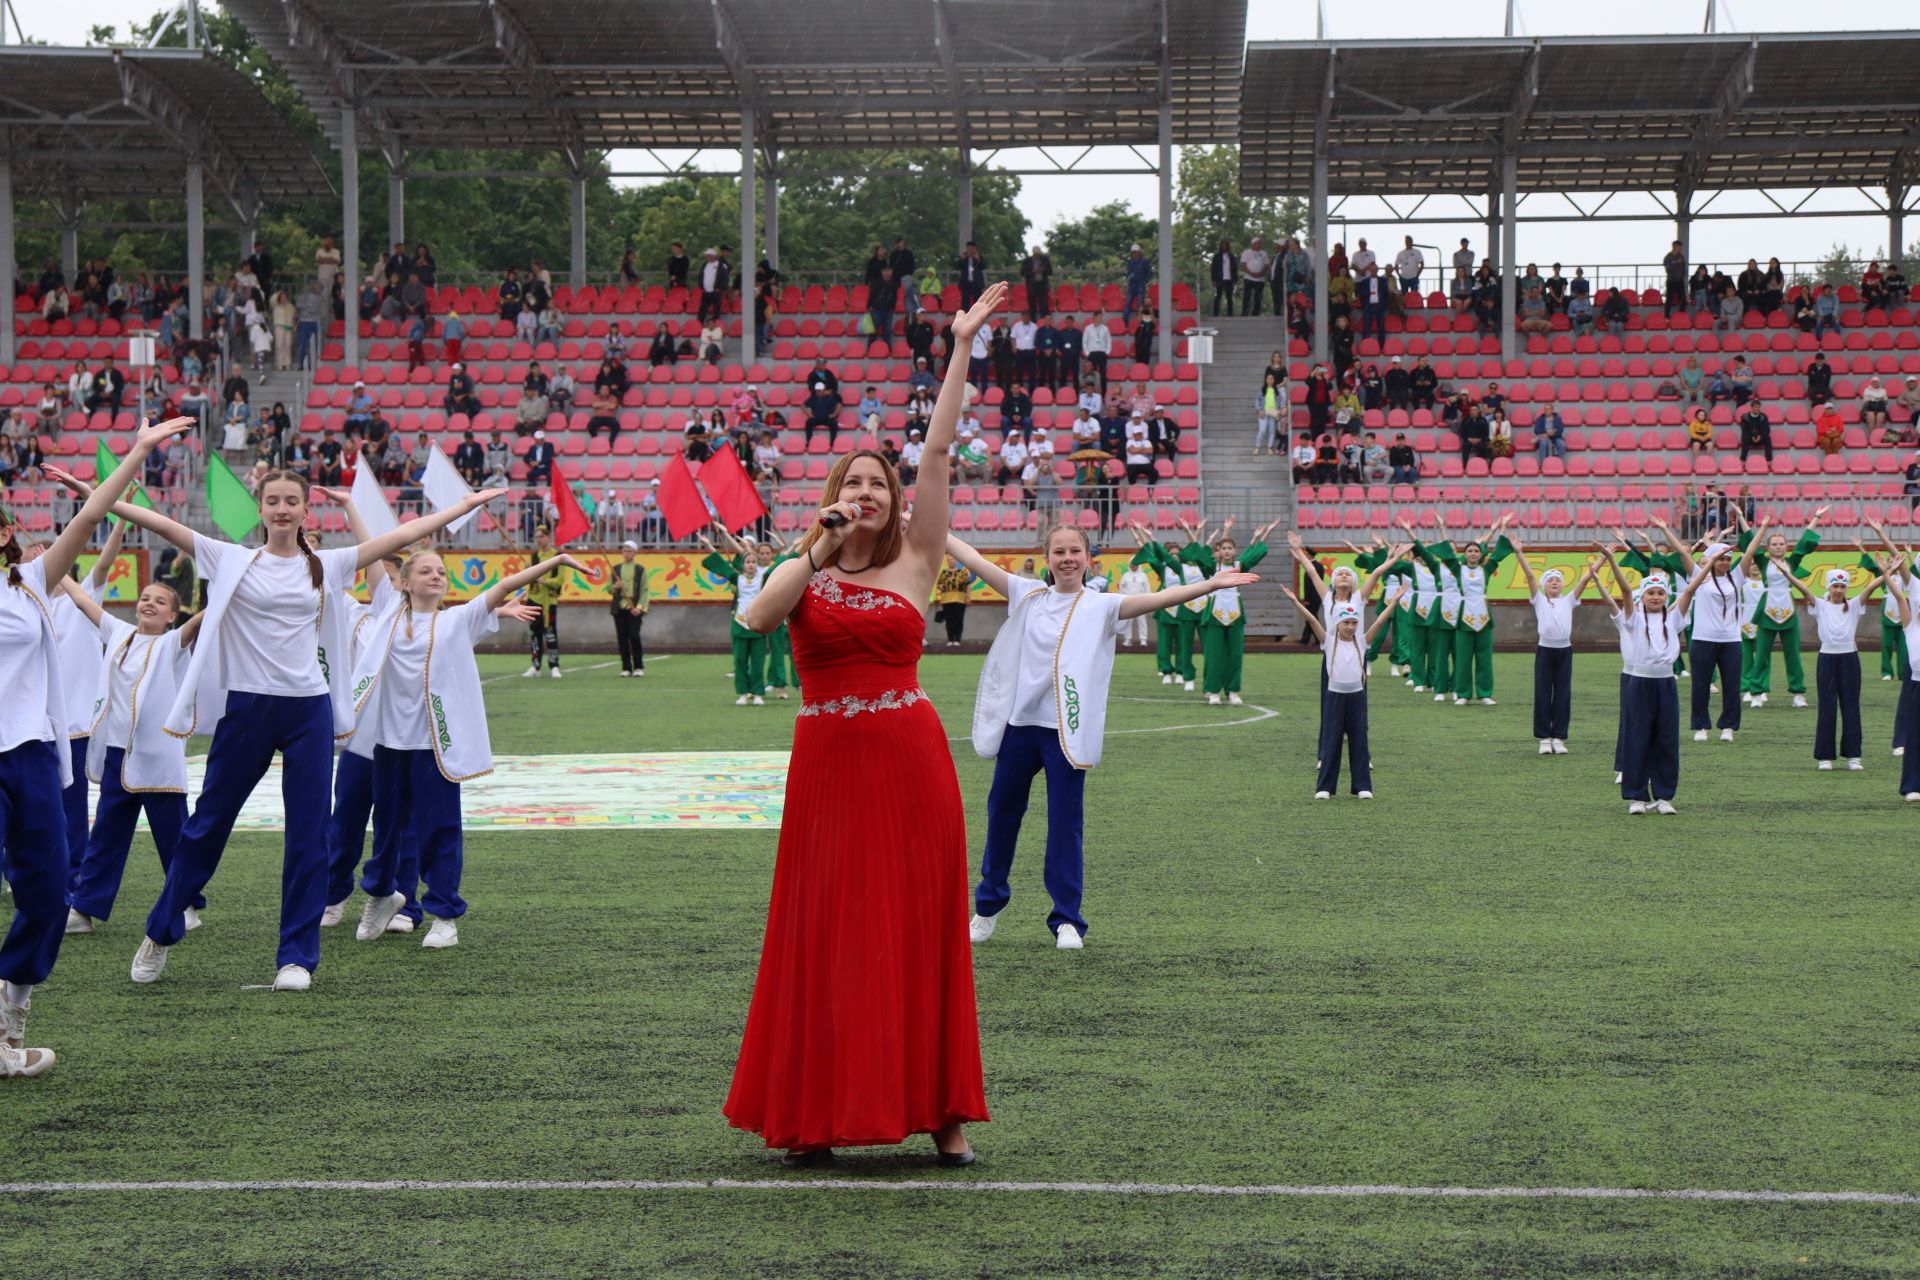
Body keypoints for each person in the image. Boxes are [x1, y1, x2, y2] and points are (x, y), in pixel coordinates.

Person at [723, 281, 1007, 1171]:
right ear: (833, 495)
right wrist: (813, 544)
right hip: (829, 768)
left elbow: (938, 445)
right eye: (854, 484)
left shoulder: (920, 559)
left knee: (919, 934)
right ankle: (813, 1115)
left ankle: (943, 1113)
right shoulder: (799, 565)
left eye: (879, 485)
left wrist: (959, 347)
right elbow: (755, 622)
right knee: (827, 931)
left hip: (911, 763)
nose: (869, 493)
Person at [93, 466, 501, 991]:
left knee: (310, 837)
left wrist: (464, 506)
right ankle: (161, 931)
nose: (282, 509)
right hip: (247, 710)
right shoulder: (231, 557)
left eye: (292, 501)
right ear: (261, 509)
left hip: (308, 710)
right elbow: (162, 523)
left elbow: (401, 535)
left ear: (307, 511)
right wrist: (98, 496)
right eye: (273, 501)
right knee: (207, 826)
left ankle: (297, 958)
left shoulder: (327, 565)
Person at [953, 524, 1256, 950]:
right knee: (1002, 816)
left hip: (1066, 732)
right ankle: (988, 907)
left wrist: (1209, 584)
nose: (1067, 558)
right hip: (1020, 729)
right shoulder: (1028, 595)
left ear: (1088, 557)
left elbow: (1159, 598)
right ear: (1047, 558)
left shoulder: (1102, 605)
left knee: (1065, 825)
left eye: (1074, 550)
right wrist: (931, 529)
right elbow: (974, 558)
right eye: (1058, 551)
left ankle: (1067, 920)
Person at [0, 425, 190, 1078]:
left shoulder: (30, 584)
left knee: (48, 898)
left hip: (29, 757)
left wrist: (137, 452)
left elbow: (88, 517)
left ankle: (9, 1023)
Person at [345, 547, 586, 949]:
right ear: (404, 582)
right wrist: (352, 502)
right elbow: (374, 551)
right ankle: (380, 896)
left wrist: (556, 561)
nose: (436, 576)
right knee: (386, 830)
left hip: (435, 746)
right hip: (387, 745)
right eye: (425, 571)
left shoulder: (458, 620)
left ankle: (444, 915)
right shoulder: (386, 614)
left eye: (441, 571)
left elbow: (506, 584)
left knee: (439, 829)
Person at [57, 575, 206, 935]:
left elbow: (204, 618)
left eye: (159, 601)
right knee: (106, 833)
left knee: (172, 835)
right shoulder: (119, 633)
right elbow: (79, 598)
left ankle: (185, 903)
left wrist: (235, 579)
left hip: (157, 757)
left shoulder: (172, 643)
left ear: (173, 615)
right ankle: (85, 908)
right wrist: (53, 564)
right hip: (116, 754)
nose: (149, 604)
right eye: (144, 598)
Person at [1599, 550, 1708, 815]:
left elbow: (1691, 590)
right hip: (1639, 682)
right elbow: (1625, 591)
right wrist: (1610, 559)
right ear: (1643, 597)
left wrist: (1711, 563)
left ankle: (1663, 796)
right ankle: (1636, 797)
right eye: (1650, 594)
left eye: (1660, 593)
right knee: (1637, 737)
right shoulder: (1633, 619)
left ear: (1666, 596)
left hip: (1666, 684)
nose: (1656, 598)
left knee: (1667, 738)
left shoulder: (1673, 618)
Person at [1783, 562, 1893, 772]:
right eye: (1835, 586)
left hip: (1849, 659)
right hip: (1827, 658)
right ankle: (1825, 757)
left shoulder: (1853, 605)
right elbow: (1803, 589)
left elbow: (1870, 588)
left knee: (1851, 707)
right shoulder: (1820, 605)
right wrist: (1786, 574)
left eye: (1842, 587)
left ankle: (1853, 756)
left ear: (1846, 589)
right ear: (1828, 587)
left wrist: (1888, 572)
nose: (1839, 590)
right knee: (1827, 707)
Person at [1507, 535, 1596, 755]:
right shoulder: (1538, 599)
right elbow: (1529, 576)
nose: (1554, 582)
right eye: (1550, 579)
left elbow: (1585, 579)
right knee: (1543, 692)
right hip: (1545, 651)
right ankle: (1543, 738)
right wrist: (1519, 553)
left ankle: (1559, 737)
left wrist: (1603, 558)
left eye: (1557, 579)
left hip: (1564, 651)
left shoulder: (1569, 600)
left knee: (1563, 694)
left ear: (1563, 584)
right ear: (1544, 585)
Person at [1738, 508, 1826, 709]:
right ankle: (1757, 692)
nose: (1778, 547)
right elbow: (1751, 543)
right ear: (1768, 548)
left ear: (1786, 547)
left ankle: (1798, 693)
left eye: (1781, 544)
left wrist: (1816, 517)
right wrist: (1742, 518)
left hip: (1788, 611)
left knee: (1793, 654)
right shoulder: (1761, 561)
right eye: (1774, 544)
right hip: (1766, 610)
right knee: (1761, 654)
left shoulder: (1792, 561)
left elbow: (1804, 543)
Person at [1184, 519, 1278, 706]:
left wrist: (1262, 535)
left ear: (1235, 551)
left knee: (1235, 656)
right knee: (1213, 656)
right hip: (1214, 616)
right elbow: (1198, 554)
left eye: (1230, 548)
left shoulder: (1239, 566)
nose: (1227, 551)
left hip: (1235, 616)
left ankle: (1233, 690)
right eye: (1223, 548)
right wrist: (1190, 531)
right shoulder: (1212, 568)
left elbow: (1255, 554)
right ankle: (1212, 691)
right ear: (1218, 551)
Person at [609, 540, 650, 677]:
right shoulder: (615, 569)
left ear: (635, 553)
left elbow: (644, 590)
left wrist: (639, 607)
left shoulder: (640, 569)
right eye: (625, 551)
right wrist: (616, 586)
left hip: (634, 607)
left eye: (629, 551)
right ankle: (626, 667)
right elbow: (608, 588)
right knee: (622, 638)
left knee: (634, 636)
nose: (627, 554)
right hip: (619, 608)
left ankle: (638, 666)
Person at [935, 555, 972, 646]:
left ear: (956, 561)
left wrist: (968, 597)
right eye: (949, 560)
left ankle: (957, 640)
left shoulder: (963, 572)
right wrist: (941, 586)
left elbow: (968, 585)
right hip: (947, 599)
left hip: (960, 599)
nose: (951, 561)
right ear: (947, 562)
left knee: (959, 619)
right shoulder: (944, 573)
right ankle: (950, 639)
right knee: (949, 620)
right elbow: (939, 584)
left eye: (952, 559)